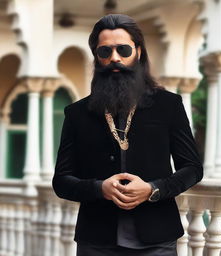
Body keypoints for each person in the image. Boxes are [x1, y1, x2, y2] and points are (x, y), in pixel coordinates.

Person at [52, 14, 203, 256]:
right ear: (97, 57)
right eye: (105, 52)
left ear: (138, 52)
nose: (114, 58)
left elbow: (193, 168)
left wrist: (153, 189)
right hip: (96, 242)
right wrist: (100, 188)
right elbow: (61, 181)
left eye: (123, 50)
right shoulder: (76, 113)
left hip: (158, 241)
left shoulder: (169, 105)